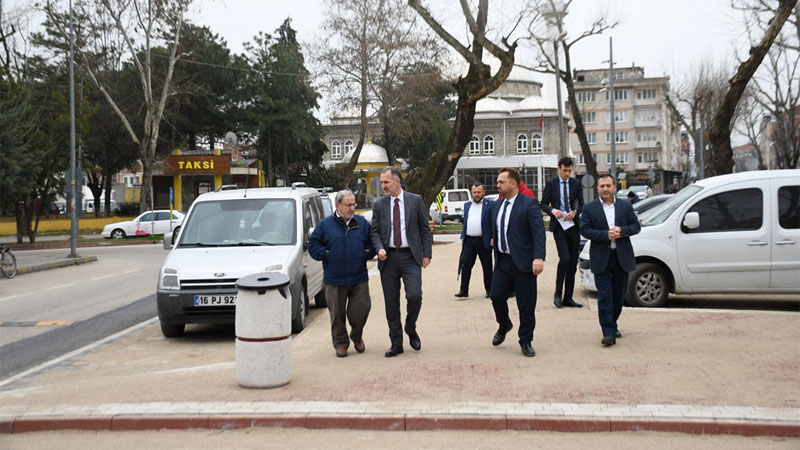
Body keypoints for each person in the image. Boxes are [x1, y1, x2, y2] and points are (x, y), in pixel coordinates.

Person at [370, 166, 433, 358]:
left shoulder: (415, 200)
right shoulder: (379, 205)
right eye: (382, 182)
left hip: (410, 257)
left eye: (386, 182)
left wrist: (427, 254)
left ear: (397, 181)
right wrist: (379, 248)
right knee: (391, 303)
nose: (383, 186)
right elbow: (374, 231)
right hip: (388, 258)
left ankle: (410, 327)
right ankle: (396, 343)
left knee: (415, 296)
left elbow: (425, 229)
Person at [308, 190, 376, 358]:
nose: (352, 208)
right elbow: (313, 245)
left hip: (358, 277)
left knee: (362, 310)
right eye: (348, 205)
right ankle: (341, 343)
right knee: (337, 314)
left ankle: (356, 336)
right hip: (334, 278)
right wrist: (326, 254)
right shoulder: (325, 225)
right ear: (338, 205)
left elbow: (372, 242)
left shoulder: (362, 223)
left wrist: (366, 253)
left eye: (354, 205)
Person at [488, 167, 546, 357]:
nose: (498, 185)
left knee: (526, 305)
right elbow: (498, 228)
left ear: (513, 183)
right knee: (496, 296)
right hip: (503, 261)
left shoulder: (529, 204)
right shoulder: (497, 205)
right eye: (498, 181)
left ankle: (525, 340)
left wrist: (539, 257)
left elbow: (538, 232)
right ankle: (504, 324)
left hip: (524, 262)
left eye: (501, 182)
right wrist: (494, 239)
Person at [580, 174, 641, 347]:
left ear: (615, 187)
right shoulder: (589, 208)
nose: (605, 189)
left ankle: (612, 323)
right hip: (601, 258)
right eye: (602, 186)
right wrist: (605, 235)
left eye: (608, 186)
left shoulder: (625, 206)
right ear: (597, 188)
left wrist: (622, 231)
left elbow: (636, 227)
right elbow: (585, 230)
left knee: (618, 296)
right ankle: (607, 332)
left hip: (621, 257)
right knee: (605, 295)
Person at [540, 156, 584, 309]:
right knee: (564, 259)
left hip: (573, 225)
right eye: (565, 170)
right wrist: (553, 211)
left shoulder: (576, 184)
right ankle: (557, 294)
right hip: (558, 226)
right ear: (559, 169)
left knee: (572, 262)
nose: (567, 174)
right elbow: (543, 204)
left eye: (569, 171)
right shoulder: (551, 184)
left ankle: (568, 297)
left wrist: (575, 212)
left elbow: (581, 203)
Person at [455, 182, 494, 299]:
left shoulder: (490, 205)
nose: (476, 194)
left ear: (483, 192)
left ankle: (489, 290)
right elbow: (466, 222)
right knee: (465, 265)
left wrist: (493, 237)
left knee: (487, 266)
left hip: (484, 240)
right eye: (474, 192)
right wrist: (463, 237)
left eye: (479, 192)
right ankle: (464, 290)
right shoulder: (467, 205)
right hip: (469, 241)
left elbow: (493, 223)